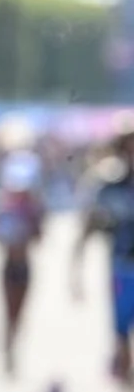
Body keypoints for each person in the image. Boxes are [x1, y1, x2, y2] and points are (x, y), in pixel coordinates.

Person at [71, 127, 134, 385]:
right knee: (121, 334)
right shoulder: (109, 189)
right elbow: (87, 229)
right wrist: (76, 273)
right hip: (123, 270)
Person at [0, 149, 45, 376]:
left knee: (19, 313)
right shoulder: (2, 207)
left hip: (25, 266)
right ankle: (8, 347)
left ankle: (12, 345)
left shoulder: (32, 208)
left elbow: (39, 238)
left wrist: (32, 221)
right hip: (9, 266)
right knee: (8, 311)